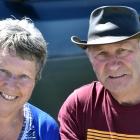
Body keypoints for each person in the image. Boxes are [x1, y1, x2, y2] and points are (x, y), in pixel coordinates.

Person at [58, 5, 140, 140]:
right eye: (102, 53)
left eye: (123, 50)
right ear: (90, 59)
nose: (113, 65)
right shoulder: (80, 106)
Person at [0, 17, 60, 140]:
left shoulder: (44, 129)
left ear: (35, 79)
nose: (11, 85)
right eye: (3, 71)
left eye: (24, 77)